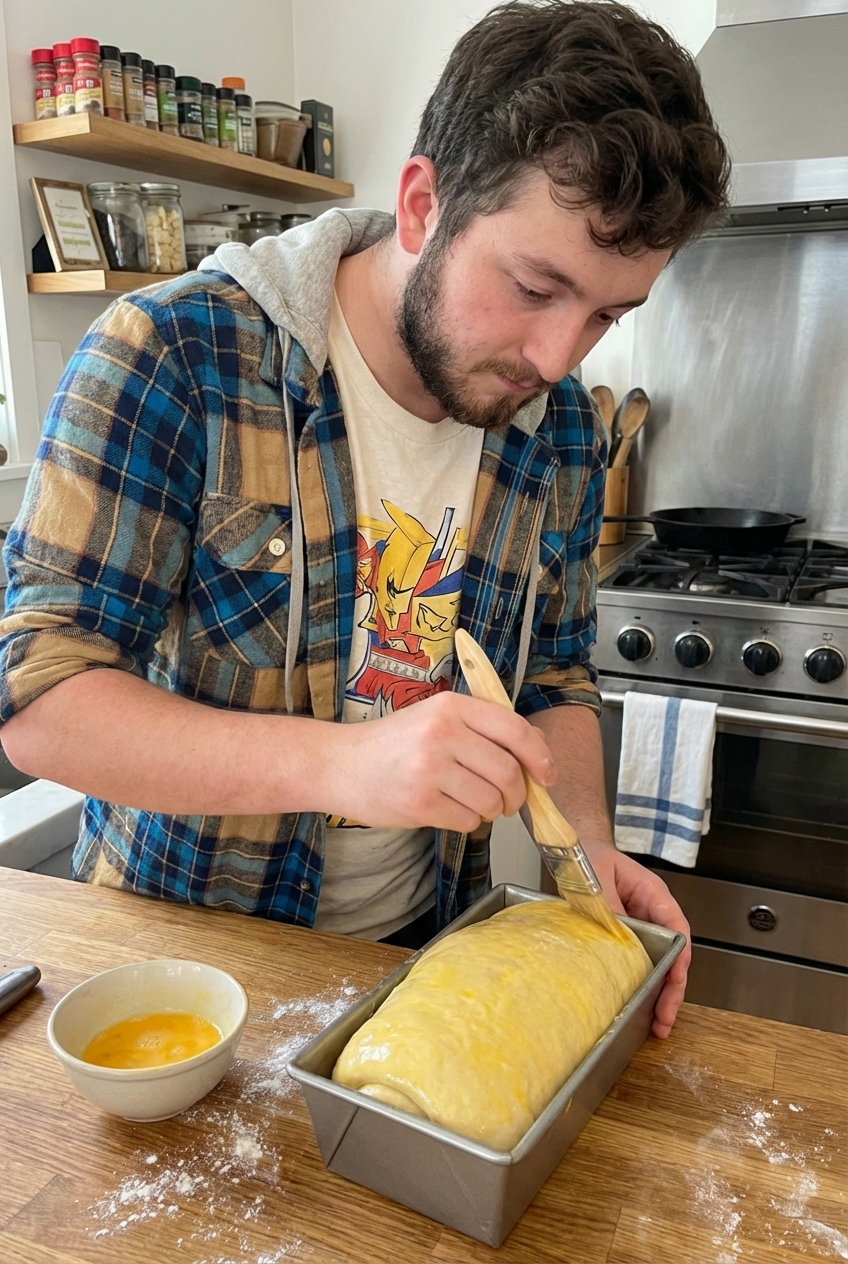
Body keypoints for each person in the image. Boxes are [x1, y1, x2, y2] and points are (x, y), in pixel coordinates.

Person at [0, 0, 729, 1037]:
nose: (557, 358)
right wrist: (342, 763)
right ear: (423, 204)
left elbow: (554, 679)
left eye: (607, 315)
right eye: (533, 286)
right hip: (174, 977)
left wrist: (588, 847)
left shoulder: (561, 428)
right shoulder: (174, 357)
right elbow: (42, 698)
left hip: (417, 962)